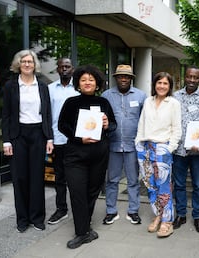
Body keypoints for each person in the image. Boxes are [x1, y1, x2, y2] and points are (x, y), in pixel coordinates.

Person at [58, 65, 117, 249]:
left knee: (92, 191)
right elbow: (62, 125)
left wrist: (107, 125)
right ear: (78, 83)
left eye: (91, 80)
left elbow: (114, 125)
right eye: (83, 80)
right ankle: (82, 233)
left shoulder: (104, 103)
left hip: (98, 155)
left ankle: (85, 228)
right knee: (77, 192)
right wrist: (78, 137)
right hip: (75, 155)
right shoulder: (71, 102)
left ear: (97, 83)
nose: (87, 83)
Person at [2, 49, 54, 233]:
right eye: (23, 61)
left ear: (34, 65)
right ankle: (22, 220)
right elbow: (6, 115)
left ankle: (37, 218)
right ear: (18, 64)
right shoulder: (10, 86)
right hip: (18, 136)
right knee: (20, 178)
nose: (26, 64)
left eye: (30, 62)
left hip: (38, 134)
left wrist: (49, 137)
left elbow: (47, 113)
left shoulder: (42, 86)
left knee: (37, 178)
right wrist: (6, 141)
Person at [135, 72, 182, 238]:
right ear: (154, 84)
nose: (161, 86)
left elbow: (177, 129)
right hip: (145, 147)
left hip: (163, 148)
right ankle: (158, 215)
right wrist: (137, 144)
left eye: (165, 83)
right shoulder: (148, 101)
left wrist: (170, 148)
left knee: (164, 187)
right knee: (150, 185)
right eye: (159, 83)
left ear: (170, 86)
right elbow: (142, 123)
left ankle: (167, 221)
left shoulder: (173, 103)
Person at [102, 65, 147, 225]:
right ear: (116, 78)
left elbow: (145, 120)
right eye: (120, 76)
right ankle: (111, 211)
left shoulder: (141, 96)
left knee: (133, 180)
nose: (123, 79)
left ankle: (133, 211)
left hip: (133, 146)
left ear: (131, 79)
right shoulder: (106, 95)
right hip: (112, 145)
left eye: (126, 77)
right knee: (112, 180)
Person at [172, 66, 199, 233]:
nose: (192, 80)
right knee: (179, 184)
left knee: (198, 185)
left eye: (195, 77)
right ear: (184, 77)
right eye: (189, 77)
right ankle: (181, 214)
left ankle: (198, 216)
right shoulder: (175, 97)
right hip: (178, 150)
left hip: (197, 152)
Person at [47, 57, 79, 225]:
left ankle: (79, 209)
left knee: (76, 177)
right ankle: (61, 209)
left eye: (68, 66)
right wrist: (49, 138)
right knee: (59, 177)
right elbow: (46, 115)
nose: (65, 69)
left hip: (76, 140)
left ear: (72, 69)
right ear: (58, 69)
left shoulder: (79, 89)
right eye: (62, 66)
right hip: (57, 140)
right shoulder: (50, 89)